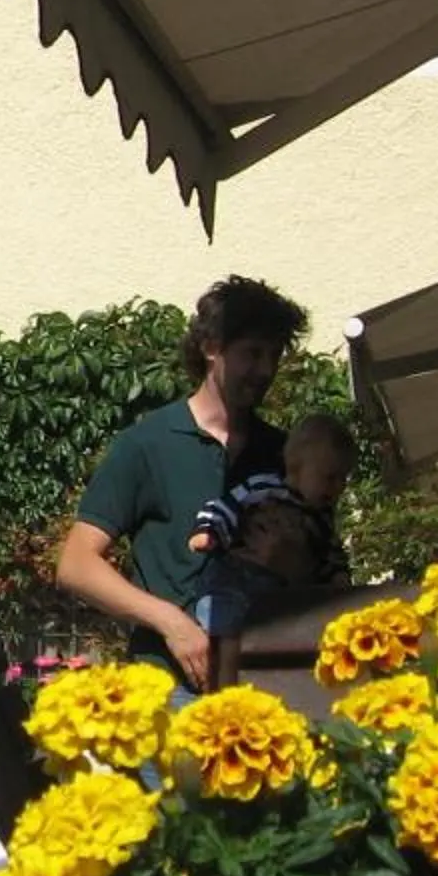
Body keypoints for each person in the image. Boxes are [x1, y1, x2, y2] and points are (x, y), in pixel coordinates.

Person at [52, 278, 308, 687]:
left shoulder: (283, 452)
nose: (265, 370)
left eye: (274, 356)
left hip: (262, 687)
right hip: (169, 689)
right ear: (211, 348)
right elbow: (77, 564)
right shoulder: (148, 444)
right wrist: (171, 622)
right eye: (252, 354)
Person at [190, 412, 357, 687]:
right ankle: (222, 691)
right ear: (296, 468)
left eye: (343, 480)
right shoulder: (265, 487)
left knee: (259, 639)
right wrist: (208, 531)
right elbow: (226, 506)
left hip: (274, 595)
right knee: (229, 638)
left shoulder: (323, 519)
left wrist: (339, 582)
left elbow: (332, 556)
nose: (337, 488)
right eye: (329, 478)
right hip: (236, 578)